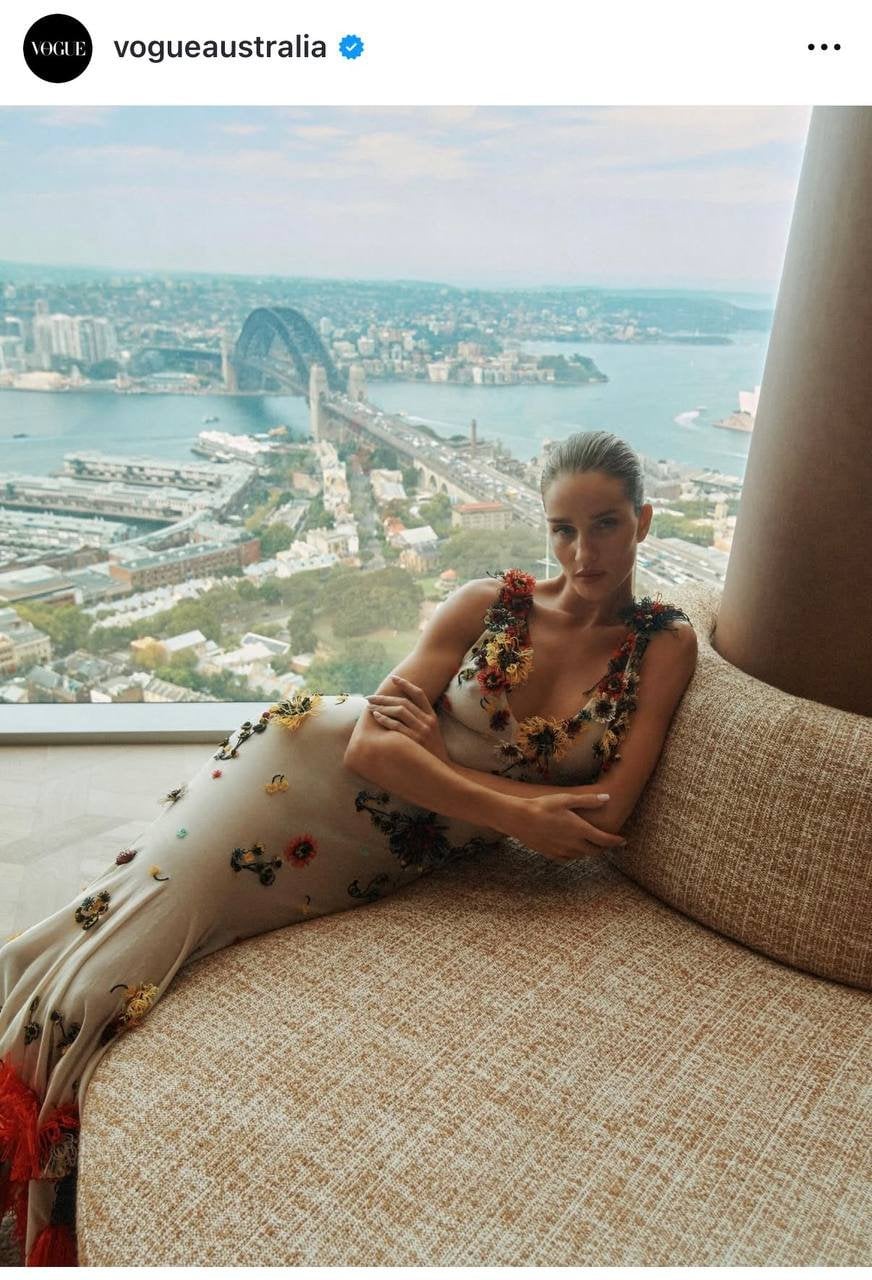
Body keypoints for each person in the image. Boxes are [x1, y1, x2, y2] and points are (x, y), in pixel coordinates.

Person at [0, 428, 697, 1265]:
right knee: (110, 963)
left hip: (386, 848)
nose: (584, 553)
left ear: (644, 520)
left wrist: (435, 764)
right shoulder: (487, 604)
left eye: (607, 524)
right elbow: (369, 747)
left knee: (149, 946)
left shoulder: (663, 646)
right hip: (297, 774)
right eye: (563, 529)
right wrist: (512, 810)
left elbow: (602, 816)